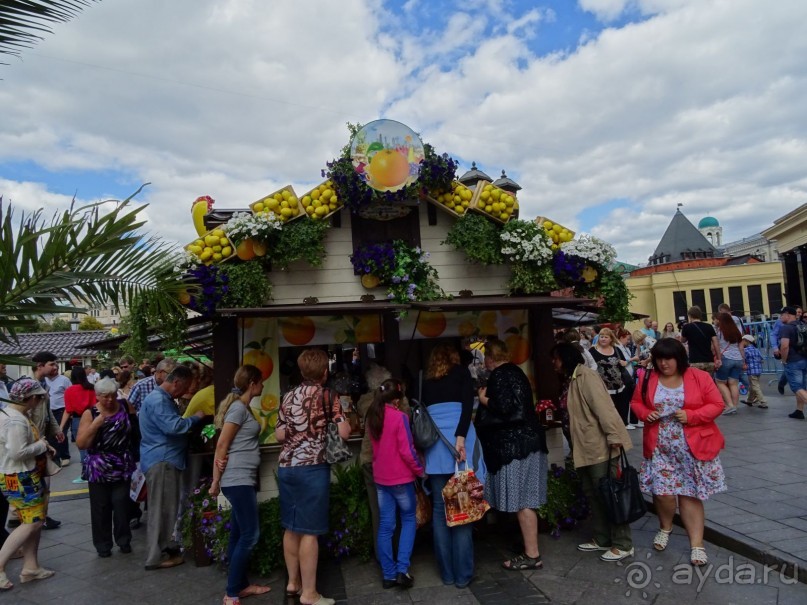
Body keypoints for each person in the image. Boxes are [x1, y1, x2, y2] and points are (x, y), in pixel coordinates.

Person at [630, 339, 726, 566]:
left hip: (692, 448)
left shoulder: (698, 377)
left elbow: (716, 404)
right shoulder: (646, 377)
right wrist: (645, 413)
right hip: (659, 447)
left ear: (679, 358)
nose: (664, 364)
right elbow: (635, 402)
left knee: (689, 494)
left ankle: (697, 545)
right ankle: (666, 527)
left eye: (669, 358)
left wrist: (692, 416)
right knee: (662, 493)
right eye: (659, 359)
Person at [275, 349, 349, 605]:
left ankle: (292, 582)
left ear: (301, 370)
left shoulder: (287, 397)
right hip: (313, 468)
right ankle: (309, 593)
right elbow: (344, 432)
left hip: (286, 467)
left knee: (291, 527)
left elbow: (279, 435)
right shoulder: (329, 395)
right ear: (325, 372)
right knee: (309, 532)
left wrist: (298, 431)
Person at [551, 343, 634, 561]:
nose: (554, 363)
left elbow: (603, 407)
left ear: (565, 358)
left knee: (609, 494)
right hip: (585, 447)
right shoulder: (573, 378)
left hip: (599, 446)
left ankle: (623, 543)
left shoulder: (586, 376)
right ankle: (602, 537)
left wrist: (614, 436)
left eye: (556, 359)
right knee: (593, 493)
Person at [475, 338, 547, 571]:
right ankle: (529, 547)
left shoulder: (498, 374)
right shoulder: (517, 371)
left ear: (490, 358)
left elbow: (504, 408)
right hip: (530, 442)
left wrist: (484, 399)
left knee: (523, 500)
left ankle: (532, 554)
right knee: (525, 499)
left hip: (516, 447)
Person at [421, 344, 485, 588]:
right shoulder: (461, 373)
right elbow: (468, 407)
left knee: (439, 512)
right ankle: (463, 575)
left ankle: (446, 574)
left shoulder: (426, 382)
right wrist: (460, 438)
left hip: (436, 451)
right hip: (460, 449)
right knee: (462, 512)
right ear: (454, 358)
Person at [209, 365, 270, 605]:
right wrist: (215, 480)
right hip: (238, 479)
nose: (263, 386)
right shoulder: (237, 409)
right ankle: (231, 593)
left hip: (242, 478)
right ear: (253, 383)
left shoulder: (242, 407)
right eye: (261, 381)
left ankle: (241, 585)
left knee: (237, 534)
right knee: (250, 535)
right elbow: (221, 445)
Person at [139, 364, 203, 571]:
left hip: (163, 460)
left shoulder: (161, 399)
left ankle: (165, 547)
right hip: (163, 461)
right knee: (161, 510)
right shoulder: (159, 400)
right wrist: (196, 417)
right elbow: (174, 427)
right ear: (176, 382)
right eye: (185, 387)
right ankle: (155, 557)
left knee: (166, 509)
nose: (186, 392)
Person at [366, 379, 424, 590]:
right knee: (408, 520)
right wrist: (420, 470)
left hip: (381, 479)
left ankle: (388, 575)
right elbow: (408, 451)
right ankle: (402, 570)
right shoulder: (401, 418)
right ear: (397, 401)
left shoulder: (373, 417)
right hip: (401, 479)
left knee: (386, 526)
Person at [0, 378, 57, 591]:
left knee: (33, 520)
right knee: (31, 523)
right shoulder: (15, 420)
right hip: (20, 475)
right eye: (39, 398)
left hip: (17, 475)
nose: (40, 402)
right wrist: (41, 445)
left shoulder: (10, 414)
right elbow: (17, 452)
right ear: (31, 398)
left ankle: (31, 567)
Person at [76, 377, 135, 557]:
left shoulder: (124, 405)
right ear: (97, 396)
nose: (109, 400)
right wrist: (95, 425)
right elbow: (81, 443)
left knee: (121, 503)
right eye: (105, 397)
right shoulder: (90, 413)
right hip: (99, 466)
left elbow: (136, 429)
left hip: (122, 462)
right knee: (101, 507)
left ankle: (124, 540)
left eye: (112, 396)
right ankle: (103, 544)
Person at [356, 364, 401, 561]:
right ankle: (399, 554)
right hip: (394, 463)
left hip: (370, 461)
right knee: (398, 513)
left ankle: (384, 560)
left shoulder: (364, 401)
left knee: (379, 514)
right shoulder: (398, 400)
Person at [29, 351, 64, 530]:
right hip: (34, 442)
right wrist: (39, 439)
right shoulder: (28, 385)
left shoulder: (42, 384)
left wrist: (56, 429)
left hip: (42, 438)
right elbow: (27, 415)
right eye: (52, 364)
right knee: (41, 482)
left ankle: (40, 516)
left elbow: (47, 411)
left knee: (43, 481)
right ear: (40, 365)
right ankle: (37, 518)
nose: (55, 367)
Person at [589, 328, 633, 428]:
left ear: (611, 339)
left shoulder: (616, 349)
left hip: (619, 387)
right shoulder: (592, 350)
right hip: (601, 388)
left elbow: (623, 362)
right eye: (601, 336)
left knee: (620, 411)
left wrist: (624, 363)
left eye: (606, 337)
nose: (603, 339)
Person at [60, 365, 97, 484]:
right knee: (94, 445)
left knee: (82, 447)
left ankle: (85, 474)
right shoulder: (92, 388)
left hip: (77, 420)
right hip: (92, 418)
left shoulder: (69, 391)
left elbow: (68, 410)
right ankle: (96, 470)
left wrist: (61, 427)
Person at [778, 306, 807, 420]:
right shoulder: (802, 325)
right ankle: (799, 411)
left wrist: (784, 360)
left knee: (796, 387)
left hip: (793, 361)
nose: (781, 317)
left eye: (782, 315)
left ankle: (799, 411)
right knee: (802, 387)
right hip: (804, 359)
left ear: (787, 314)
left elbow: (784, 346)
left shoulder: (786, 328)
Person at [714, 312, 746, 415]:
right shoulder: (737, 332)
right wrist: (743, 361)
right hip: (738, 359)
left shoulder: (719, 332)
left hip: (725, 358)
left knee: (720, 382)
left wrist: (717, 358)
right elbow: (741, 348)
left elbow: (716, 347)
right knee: (734, 383)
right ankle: (735, 406)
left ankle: (729, 405)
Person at [43, 360, 71, 466]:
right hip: (48, 411)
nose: (54, 369)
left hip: (61, 410)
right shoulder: (44, 380)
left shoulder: (64, 380)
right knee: (50, 435)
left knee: (61, 432)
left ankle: (65, 456)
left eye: (56, 368)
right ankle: (55, 456)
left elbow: (70, 394)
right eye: (52, 367)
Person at [680, 306, 721, 374]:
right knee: (708, 383)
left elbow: (683, 340)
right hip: (709, 361)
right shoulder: (709, 326)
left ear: (690, 315)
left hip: (694, 361)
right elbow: (716, 343)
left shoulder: (686, 327)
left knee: (696, 383)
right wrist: (719, 358)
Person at [740, 334, 767, 409]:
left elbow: (743, 359)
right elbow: (761, 360)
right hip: (758, 370)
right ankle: (749, 400)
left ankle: (763, 402)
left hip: (751, 371)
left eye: (742, 341)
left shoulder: (745, 350)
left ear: (746, 341)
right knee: (753, 386)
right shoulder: (756, 349)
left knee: (755, 386)